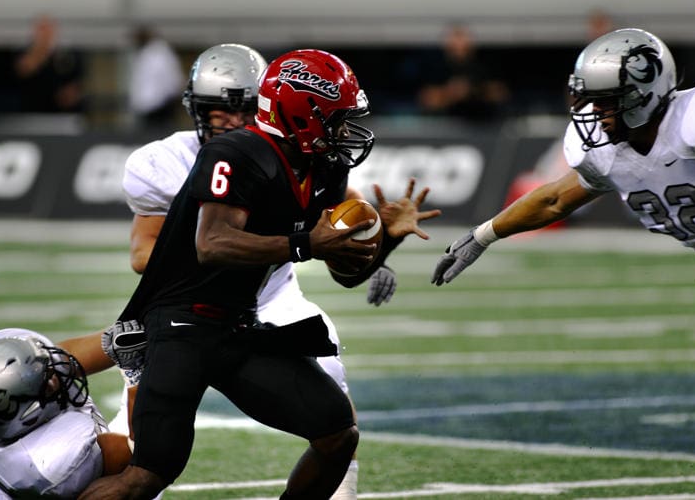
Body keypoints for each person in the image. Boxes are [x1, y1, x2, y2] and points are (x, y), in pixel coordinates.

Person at [78, 48, 440, 500]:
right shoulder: (236, 151)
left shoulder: (325, 166)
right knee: (146, 474)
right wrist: (307, 243)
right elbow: (212, 244)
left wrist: (385, 238)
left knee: (337, 434)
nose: (346, 130)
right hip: (180, 324)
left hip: (239, 325)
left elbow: (345, 273)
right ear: (303, 115)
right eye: (337, 117)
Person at [432, 28, 695, 286]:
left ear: (645, 94)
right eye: (591, 99)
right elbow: (555, 200)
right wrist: (483, 236)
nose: (596, 111)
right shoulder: (606, 151)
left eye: (607, 99)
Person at [0, 328, 133, 500]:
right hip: (135, 463)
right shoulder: (57, 460)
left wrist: (119, 338)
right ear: (29, 412)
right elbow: (143, 452)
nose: (55, 372)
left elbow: (63, 357)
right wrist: (136, 376)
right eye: (47, 379)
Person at [416, 23, 509, 120]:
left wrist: (473, 90)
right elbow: (425, 98)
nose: (458, 44)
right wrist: (449, 93)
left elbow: (500, 94)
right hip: (445, 124)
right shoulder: (437, 67)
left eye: (462, 38)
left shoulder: (483, 66)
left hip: (481, 124)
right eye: (455, 38)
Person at [14, 14, 85, 113]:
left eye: (49, 28)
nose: (46, 33)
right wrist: (43, 48)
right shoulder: (24, 51)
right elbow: (24, 69)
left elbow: (78, 82)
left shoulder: (69, 53)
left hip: (63, 115)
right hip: (31, 112)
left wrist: (73, 93)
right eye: (42, 29)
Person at [128, 25, 185, 131]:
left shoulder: (159, 54)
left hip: (160, 104)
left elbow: (172, 78)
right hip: (149, 105)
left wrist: (168, 98)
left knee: (159, 135)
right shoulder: (146, 53)